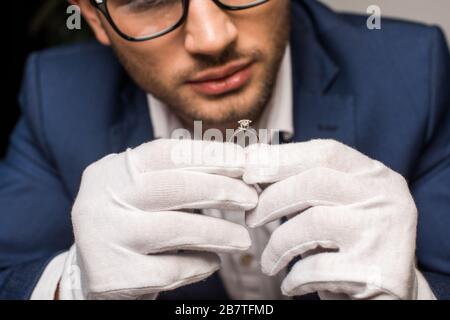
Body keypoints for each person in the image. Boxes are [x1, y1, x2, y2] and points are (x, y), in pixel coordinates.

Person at [0, 0, 449, 300]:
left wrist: (412, 292)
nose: (213, 38)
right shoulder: (54, 96)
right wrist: (74, 286)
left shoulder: (415, 70)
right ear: (94, 18)